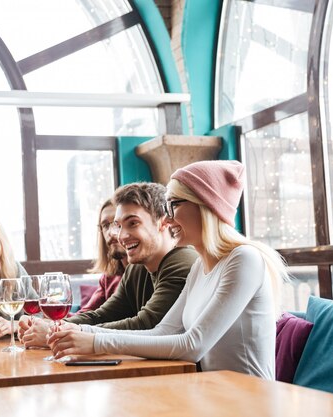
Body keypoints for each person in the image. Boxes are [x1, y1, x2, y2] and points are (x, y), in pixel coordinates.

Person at [48, 160, 289, 380]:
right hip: (211, 396)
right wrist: (79, 331)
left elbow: (193, 346)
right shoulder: (199, 266)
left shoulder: (244, 259)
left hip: (250, 403)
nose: (167, 218)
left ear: (205, 206)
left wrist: (95, 342)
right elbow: (162, 331)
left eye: (172, 205)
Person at [19, 182, 198, 347]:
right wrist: (51, 325)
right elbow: (101, 315)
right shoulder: (136, 268)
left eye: (133, 223)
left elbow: (146, 325)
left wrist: (56, 333)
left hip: (190, 375)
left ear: (163, 222)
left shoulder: (182, 262)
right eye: (118, 226)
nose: (121, 236)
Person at [76, 198, 127, 313]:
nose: (111, 232)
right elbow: (88, 314)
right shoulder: (109, 277)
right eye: (105, 225)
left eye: (116, 223)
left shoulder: (148, 272)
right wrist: (53, 320)